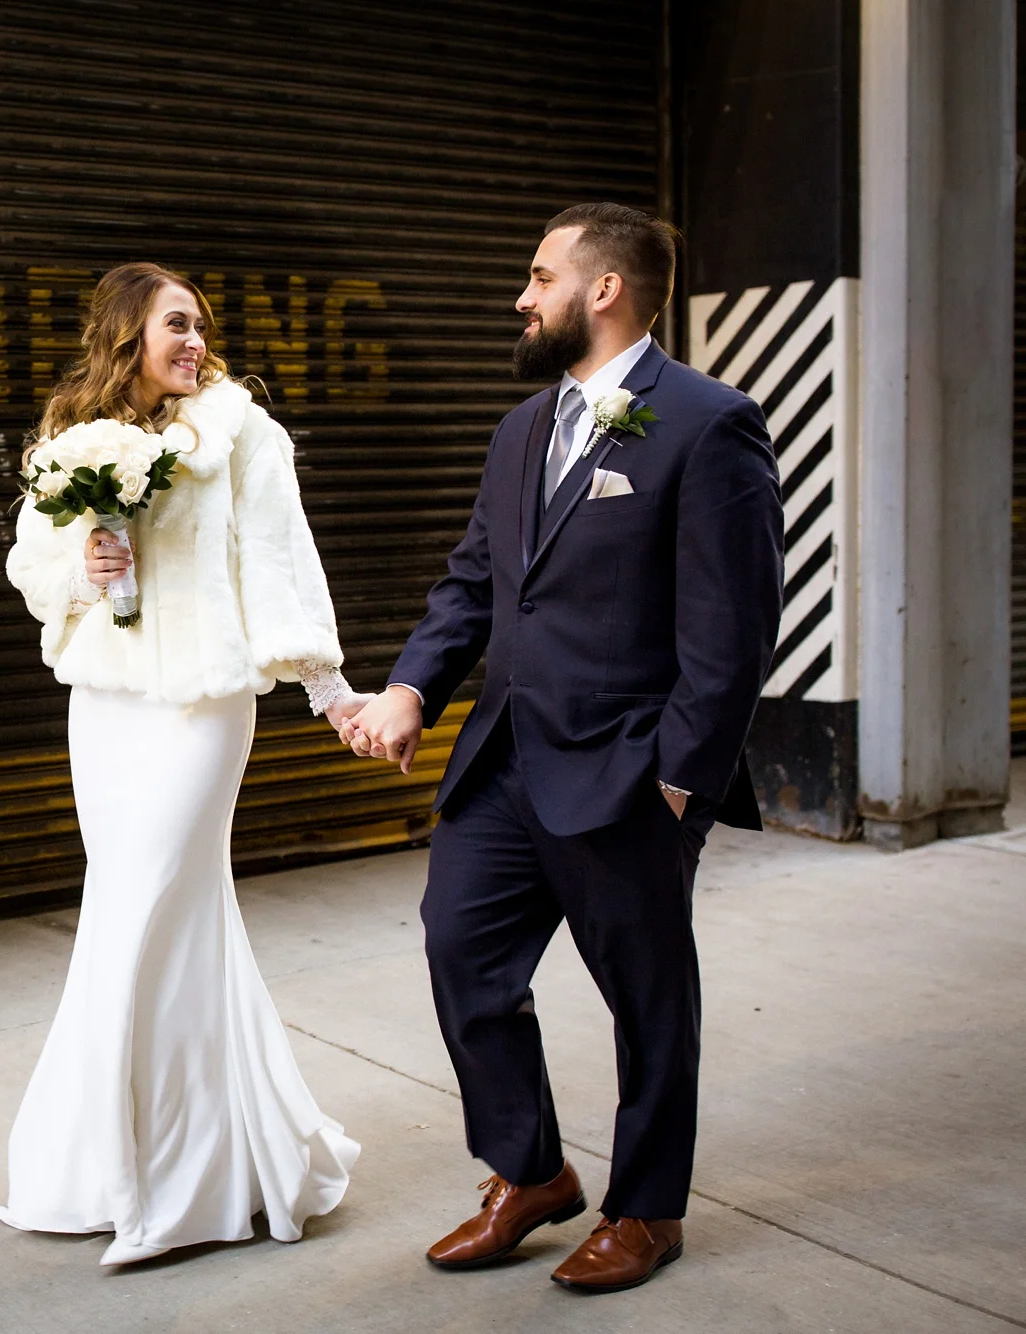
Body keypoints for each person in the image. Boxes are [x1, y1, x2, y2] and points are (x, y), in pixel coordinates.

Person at [342, 203, 782, 1293]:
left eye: (540, 277)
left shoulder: (709, 423)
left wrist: (678, 779)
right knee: (461, 950)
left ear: (604, 290)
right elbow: (475, 582)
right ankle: (531, 1172)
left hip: (627, 772)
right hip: (503, 758)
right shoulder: (521, 429)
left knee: (646, 997)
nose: (521, 297)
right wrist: (410, 688)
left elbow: (731, 628)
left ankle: (646, 1208)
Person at [0, 261, 365, 1266]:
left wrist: (329, 690)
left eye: (200, 325)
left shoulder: (243, 432)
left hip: (203, 707)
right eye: (175, 324)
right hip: (107, 706)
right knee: (140, 912)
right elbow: (31, 563)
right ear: (126, 334)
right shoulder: (75, 439)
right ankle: (128, 1163)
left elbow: (279, 563)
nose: (194, 342)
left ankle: (168, 1188)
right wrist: (86, 569)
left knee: (152, 904)